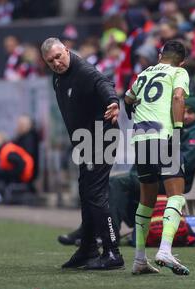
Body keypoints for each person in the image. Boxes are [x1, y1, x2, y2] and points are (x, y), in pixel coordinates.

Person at [58, 96, 195, 246]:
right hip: (156, 176)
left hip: (173, 181)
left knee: (117, 182)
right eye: (184, 110)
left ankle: (108, 234)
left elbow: (184, 163)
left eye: (191, 112)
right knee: (105, 183)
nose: (186, 115)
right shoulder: (174, 127)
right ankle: (89, 231)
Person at [41, 37, 124, 270]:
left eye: (59, 56)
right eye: (51, 61)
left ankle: (112, 252)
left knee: (95, 194)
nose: (56, 62)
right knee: (86, 193)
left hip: (102, 136)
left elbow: (104, 83)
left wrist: (113, 102)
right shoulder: (58, 77)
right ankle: (88, 249)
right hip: (86, 142)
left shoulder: (83, 70)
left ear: (67, 50)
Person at [124, 40, 190, 276]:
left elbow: (128, 99)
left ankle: (140, 259)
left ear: (160, 54)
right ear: (182, 61)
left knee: (146, 201)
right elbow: (178, 97)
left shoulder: (142, 74)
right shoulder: (178, 72)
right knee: (176, 196)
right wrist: (179, 129)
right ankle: (164, 249)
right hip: (164, 136)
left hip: (141, 138)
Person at [0, 131, 35, 206]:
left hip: (21, 177)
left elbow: (21, 165)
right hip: (13, 174)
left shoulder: (7, 150)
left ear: (1, 140)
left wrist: (10, 175)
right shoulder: (2, 150)